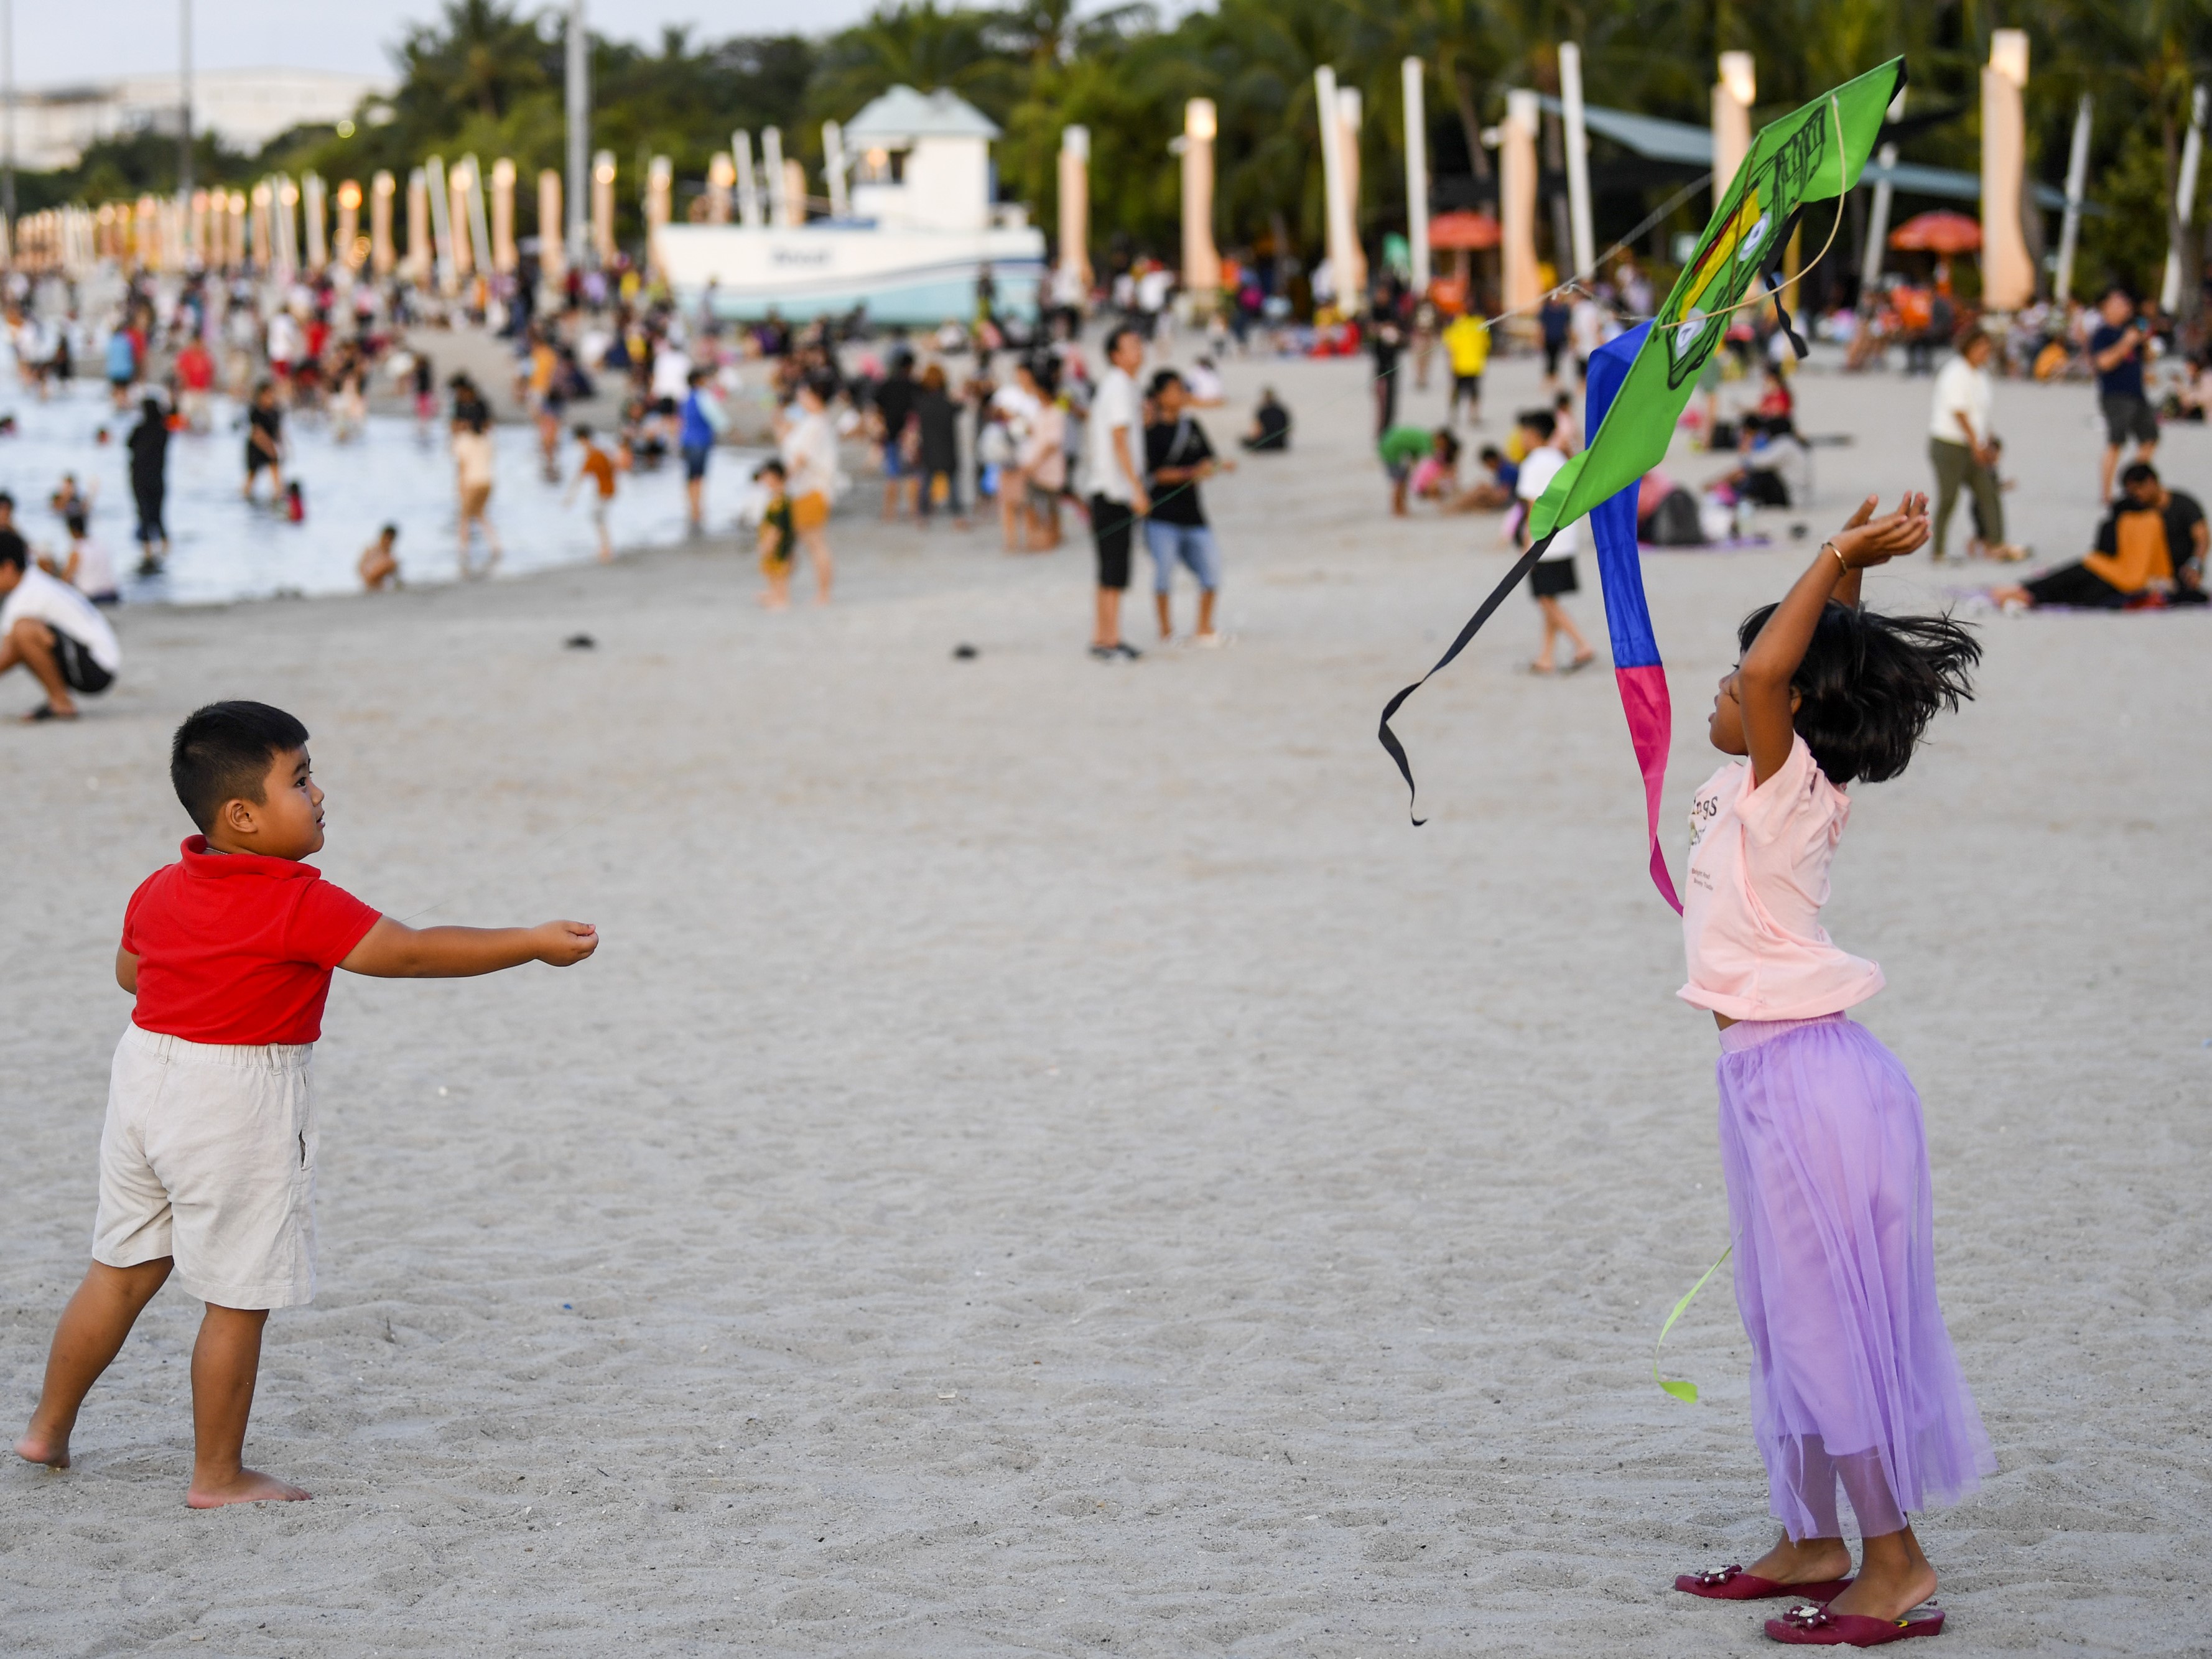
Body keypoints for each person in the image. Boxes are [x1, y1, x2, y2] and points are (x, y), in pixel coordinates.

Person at [10, 701, 597, 1505]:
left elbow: (130, 973)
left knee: (117, 1270)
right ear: (243, 815)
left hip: (144, 1078)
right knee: (238, 1295)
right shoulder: (298, 901)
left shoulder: (157, 886)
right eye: (301, 778)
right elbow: (412, 951)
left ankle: (46, 1429)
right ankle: (217, 1474)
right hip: (235, 1096)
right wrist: (529, 942)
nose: (319, 792)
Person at [1671, 495, 1994, 1646]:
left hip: (1810, 1082)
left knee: (1824, 1328)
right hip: (1774, 1080)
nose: (1729, 683)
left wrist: (1834, 555)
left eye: (1743, 674)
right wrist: (1846, 588)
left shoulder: (1782, 779)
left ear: (1787, 707)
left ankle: (1894, 1564)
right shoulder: (1775, 781)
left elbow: (1776, 675)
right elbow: (1809, 668)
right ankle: (1810, 1535)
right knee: (1783, 1318)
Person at [1991, 461, 2206, 610]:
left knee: (2093, 589)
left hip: (2167, 574)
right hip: (2132, 568)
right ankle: (2027, 591)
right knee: (2088, 570)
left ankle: (2030, 593)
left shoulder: (2182, 504)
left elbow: (2203, 537)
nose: (2136, 496)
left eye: (2137, 490)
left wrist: (2196, 563)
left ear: (2151, 482)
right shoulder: (2138, 510)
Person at [1142, 368, 1230, 645]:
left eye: (1182, 389)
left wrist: (1217, 467)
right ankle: (1166, 631)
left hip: (1194, 515)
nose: (1180, 395)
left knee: (1212, 569)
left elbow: (1209, 460)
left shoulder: (1192, 426)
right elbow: (1156, 474)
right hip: (1161, 516)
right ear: (1159, 396)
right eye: (1174, 390)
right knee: (1164, 574)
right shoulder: (1150, 433)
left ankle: (1204, 627)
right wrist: (1192, 472)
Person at [0, 529, 120, 720]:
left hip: (98, 668)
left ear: (8, 567)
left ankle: (61, 702)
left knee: (24, 631)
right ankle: (58, 699)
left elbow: (6, 655)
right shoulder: (33, 580)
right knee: (22, 635)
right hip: (92, 657)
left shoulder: (27, 595)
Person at [1513, 410, 1595, 674]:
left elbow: (1532, 508)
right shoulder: (1559, 458)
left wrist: (1528, 547)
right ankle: (1545, 657)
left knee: (1545, 600)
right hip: (1565, 536)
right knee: (1548, 597)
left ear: (1533, 435)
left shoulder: (1533, 464)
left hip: (1544, 541)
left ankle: (1582, 644)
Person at [1084, 324, 1148, 659]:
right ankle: (1111, 640)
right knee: (1115, 569)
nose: (1140, 350)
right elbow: (1119, 440)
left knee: (1107, 568)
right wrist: (1137, 490)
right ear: (1116, 355)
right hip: (1114, 492)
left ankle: (1102, 636)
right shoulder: (1120, 386)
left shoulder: (1116, 387)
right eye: (1132, 346)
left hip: (1103, 489)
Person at [1927, 329, 2018, 562]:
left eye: (1987, 348)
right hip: (1949, 444)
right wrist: (1976, 445)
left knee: (1988, 491)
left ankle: (1996, 543)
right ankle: (1938, 550)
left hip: (1974, 444)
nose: (1985, 353)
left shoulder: (1980, 376)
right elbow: (1959, 413)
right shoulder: (1955, 373)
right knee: (1949, 497)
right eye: (1981, 348)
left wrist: (1990, 441)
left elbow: (1981, 415)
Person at [2088, 287, 2157, 503]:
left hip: (2138, 394)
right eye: (2119, 303)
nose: (2125, 307)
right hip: (2115, 395)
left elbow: (2150, 359)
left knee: (2150, 438)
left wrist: (2143, 342)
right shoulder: (2103, 333)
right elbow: (2103, 363)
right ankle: (2106, 494)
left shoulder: (2132, 330)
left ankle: (2134, 484)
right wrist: (2125, 343)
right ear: (2106, 308)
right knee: (2116, 442)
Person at [779, 376, 837, 605]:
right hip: (804, 490)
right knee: (799, 541)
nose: (800, 398)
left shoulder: (816, 424)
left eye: (804, 394)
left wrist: (781, 482)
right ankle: (781, 590)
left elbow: (801, 459)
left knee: (814, 542)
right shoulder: (812, 421)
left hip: (812, 490)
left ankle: (822, 593)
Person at [1014, 358, 1066, 551]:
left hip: (1048, 464)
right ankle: (1039, 535)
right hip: (1035, 462)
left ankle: (1052, 535)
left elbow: (1051, 444)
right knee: (1034, 503)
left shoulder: (1056, 411)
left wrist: (1035, 462)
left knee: (1051, 505)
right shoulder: (1039, 411)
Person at [913, 364, 967, 529]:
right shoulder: (947, 403)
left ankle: (922, 516)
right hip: (947, 447)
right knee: (953, 484)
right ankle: (957, 517)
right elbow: (961, 407)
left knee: (926, 484)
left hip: (929, 448)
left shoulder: (921, 403)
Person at [450, 408, 501, 577]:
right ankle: (496, 546)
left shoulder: (463, 441)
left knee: (464, 518)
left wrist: (460, 489)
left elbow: (461, 468)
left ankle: (463, 553)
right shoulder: (487, 440)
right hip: (488, 481)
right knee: (480, 514)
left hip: (471, 482)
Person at [564, 425, 622, 563]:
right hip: (608, 490)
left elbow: (579, 478)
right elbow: (614, 466)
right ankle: (606, 547)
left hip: (604, 491)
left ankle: (606, 548)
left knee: (597, 518)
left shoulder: (593, 455)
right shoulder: (600, 452)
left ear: (583, 440)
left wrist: (570, 498)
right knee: (598, 517)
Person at [127, 396, 170, 573]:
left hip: (139, 479)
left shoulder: (139, 430)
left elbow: (128, 445)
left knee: (144, 515)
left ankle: (147, 553)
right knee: (159, 516)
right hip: (158, 479)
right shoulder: (163, 431)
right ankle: (165, 550)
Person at [873, 351, 918, 519]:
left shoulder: (887, 384)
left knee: (892, 476)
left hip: (891, 434)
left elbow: (877, 406)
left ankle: (889, 512)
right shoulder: (914, 385)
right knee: (912, 476)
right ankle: (914, 510)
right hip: (909, 437)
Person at [679, 369, 721, 534]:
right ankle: (698, 510)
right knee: (699, 477)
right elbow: (716, 418)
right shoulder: (704, 397)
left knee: (689, 476)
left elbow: (682, 420)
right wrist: (732, 432)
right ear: (698, 380)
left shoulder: (685, 398)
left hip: (687, 440)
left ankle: (692, 509)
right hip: (701, 441)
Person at [753, 459, 797, 609]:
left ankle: (782, 599)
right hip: (777, 543)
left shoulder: (780, 502)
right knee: (771, 572)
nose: (764, 480)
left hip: (779, 545)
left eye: (767, 477)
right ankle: (774, 594)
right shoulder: (778, 499)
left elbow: (777, 527)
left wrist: (768, 544)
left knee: (779, 574)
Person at [57, 511, 118, 604]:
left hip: (93, 597)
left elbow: (65, 579)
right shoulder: (100, 543)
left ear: (72, 530)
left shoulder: (77, 549)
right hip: (112, 594)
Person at [1443, 308, 1490, 426]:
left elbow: (1448, 343)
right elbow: (1487, 343)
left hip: (1459, 364)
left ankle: (1453, 414)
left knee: (1457, 390)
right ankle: (1474, 415)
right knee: (1474, 391)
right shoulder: (1480, 324)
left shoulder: (1456, 325)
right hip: (1475, 364)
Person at [1377, 424, 1433, 518]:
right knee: (1399, 482)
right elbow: (1426, 465)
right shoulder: (1427, 443)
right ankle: (1397, 511)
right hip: (1392, 451)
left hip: (1386, 445)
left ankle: (1401, 510)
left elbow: (1416, 460)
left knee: (1401, 481)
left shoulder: (1424, 437)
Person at [242, 381, 284, 504]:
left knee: (275, 470)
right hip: (256, 447)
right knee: (252, 475)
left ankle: (278, 494)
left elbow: (278, 431)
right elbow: (257, 434)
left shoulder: (276, 412)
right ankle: (246, 495)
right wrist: (270, 449)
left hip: (270, 446)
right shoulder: (255, 411)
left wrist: (282, 447)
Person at [1242, 388, 1291, 453]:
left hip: (1267, 444)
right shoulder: (1281, 410)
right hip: (1280, 444)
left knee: (1244, 441)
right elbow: (1288, 428)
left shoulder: (1263, 411)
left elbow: (1257, 430)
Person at [358, 523, 401, 591]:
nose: (387, 541)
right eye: (385, 538)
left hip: (380, 587)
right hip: (368, 584)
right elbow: (360, 567)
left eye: (389, 539)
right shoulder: (370, 551)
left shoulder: (391, 560)